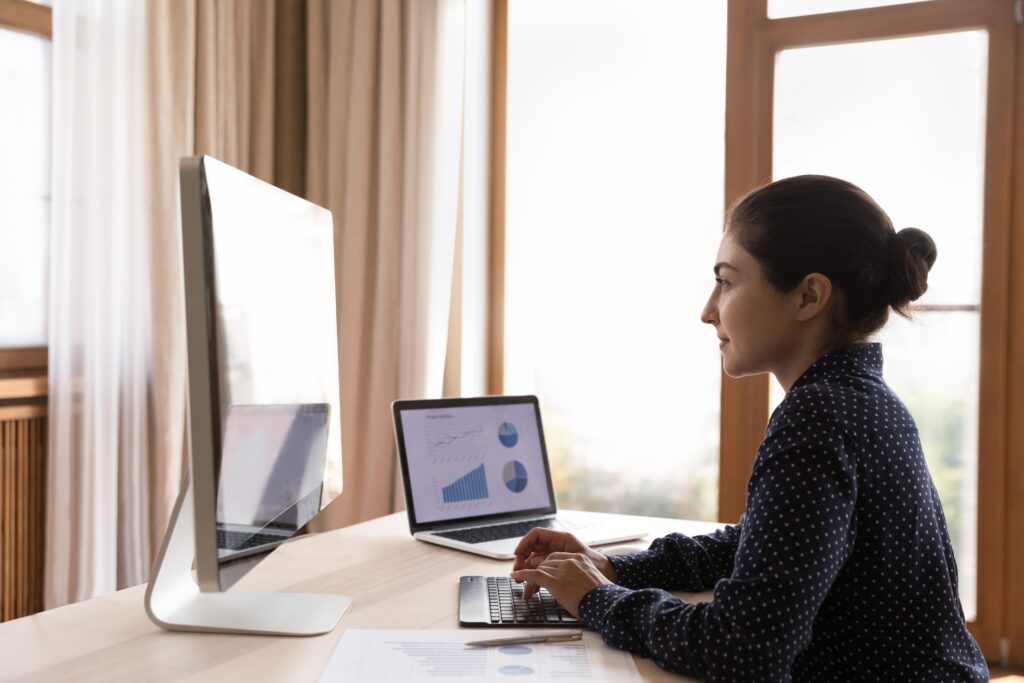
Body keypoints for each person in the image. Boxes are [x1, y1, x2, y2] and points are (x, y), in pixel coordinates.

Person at [510, 175, 989, 682]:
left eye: (727, 281)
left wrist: (596, 600)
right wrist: (615, 568)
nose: (707, 310)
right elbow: (766, 545)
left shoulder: (818, 418)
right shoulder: (865, 400)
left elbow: (740, 651)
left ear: (808, 296)